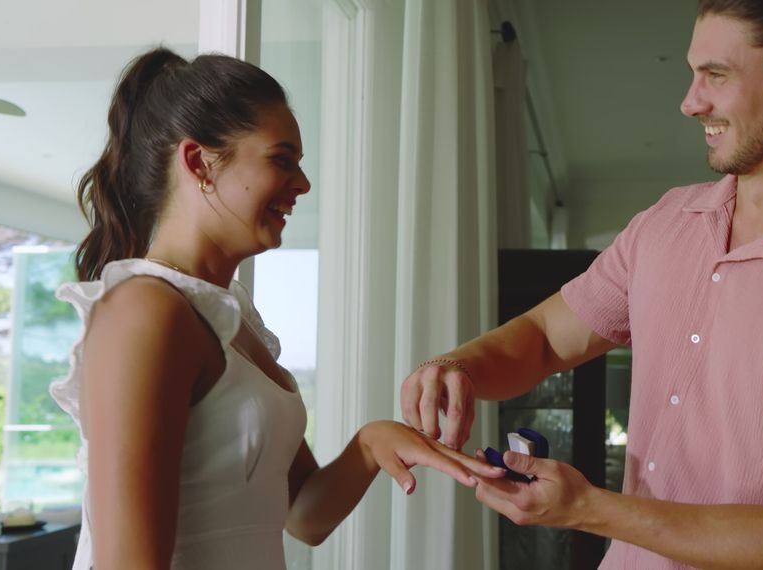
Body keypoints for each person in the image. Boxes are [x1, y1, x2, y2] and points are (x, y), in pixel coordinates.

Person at [400, 1, 763, 568]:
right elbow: (545, 336)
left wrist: (587, 507)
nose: (690, 102)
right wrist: (457, 367)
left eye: (716, 75)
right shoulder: (665, 225)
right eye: (694, 74)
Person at [50, 47, 504, 570]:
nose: (303, 184)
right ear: (199, 161)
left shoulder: (228, 317)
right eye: (281, 159)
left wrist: (372, 441)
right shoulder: (145, 311)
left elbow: (304, 515)